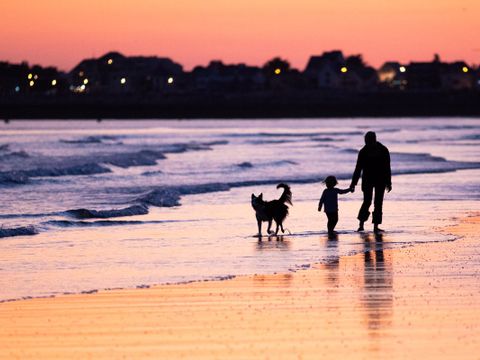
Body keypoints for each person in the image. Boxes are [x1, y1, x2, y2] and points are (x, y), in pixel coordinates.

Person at [349, 131, 392, 233]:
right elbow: (358, 168)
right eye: (366, 140)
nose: (366, 142)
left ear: (373, 139)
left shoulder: (383, 150)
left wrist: (388, 182)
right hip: (368, 180)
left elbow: (387, 167)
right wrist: (353, 183)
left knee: (377, 202)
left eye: (368, 140)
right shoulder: (363, 151)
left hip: (379, 180)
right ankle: (361, 225)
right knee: (367, 202)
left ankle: (375, 226)